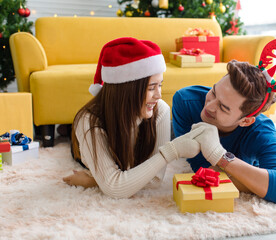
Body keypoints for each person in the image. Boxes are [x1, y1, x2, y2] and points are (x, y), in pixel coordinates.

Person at [63, 37, 205, 198]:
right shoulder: (89, 121)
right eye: (152, 88)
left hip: (128, 152)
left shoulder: (161, 110)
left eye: (160, 85)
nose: (159, 95)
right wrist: (171, 151)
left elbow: (155, 180)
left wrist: (97, 181)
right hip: (88, 149)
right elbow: (115, 189)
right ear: (127, 91)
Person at [172, 60, 276, 207]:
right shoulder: (186, 102)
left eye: (224, 108)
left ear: (246, 121)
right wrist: (250, 181)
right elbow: (202, 168)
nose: (209, 106)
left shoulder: (262, 132)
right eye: (213, 92)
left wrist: (221, 157)